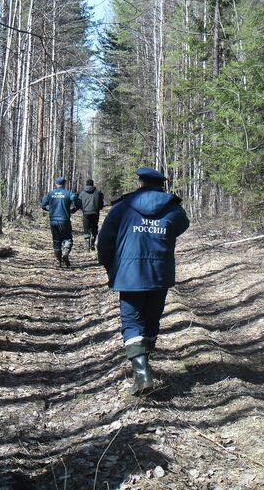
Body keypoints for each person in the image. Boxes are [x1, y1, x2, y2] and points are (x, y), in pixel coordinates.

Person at [97, 167, 190, 395]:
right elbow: (182, 226)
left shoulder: (122, 207)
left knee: (132, 322)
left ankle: (142, 373)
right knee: (151, 320)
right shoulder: (173, 209)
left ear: (140, 183)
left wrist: (111, 267)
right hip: (159, 273)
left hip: (130, 276)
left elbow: (104, 242)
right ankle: (145, 365)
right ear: (161, 185)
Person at [40, 177, 79, 267]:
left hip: (53, 220)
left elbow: (43, 205)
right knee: (67, 238)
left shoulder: (51, 194)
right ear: (64, 184)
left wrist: (49, 209)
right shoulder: (68, 193)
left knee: (56, 240)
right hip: (64, 220)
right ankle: (66, 251)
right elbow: (76, 199)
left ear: (56, 184)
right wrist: (74, 208)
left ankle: (58, 261)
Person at [77, 178, 105, 251]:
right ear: (93, 184)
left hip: (86, 213)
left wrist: (79, 208)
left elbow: (79, 203)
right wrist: (100, 207)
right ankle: (93, 238)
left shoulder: (82, 193)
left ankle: (87, 246)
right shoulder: (98, 192)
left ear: (86, 184)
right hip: (95, 213)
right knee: (94, 227)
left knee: (86, 229)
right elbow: (101, 204)